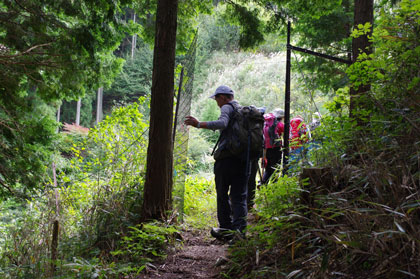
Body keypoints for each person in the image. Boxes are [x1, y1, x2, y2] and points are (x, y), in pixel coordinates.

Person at [184, 85, 248, 241]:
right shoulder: (242, 110)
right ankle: (239, 233)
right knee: (239, 197)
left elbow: (222, 123)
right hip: (243, 159)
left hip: (227, 159)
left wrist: (199, 124)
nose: (217, 103)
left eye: (217, 99)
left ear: (224, 97)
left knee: (222, 194)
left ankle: (225, 229)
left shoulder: (227, 107)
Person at [261, 108, 284, 184]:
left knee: (268, 168)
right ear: (281, 117)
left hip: (267, 149)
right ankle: (275, 186)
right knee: (276, 168)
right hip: (276, 149)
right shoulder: (280, 125)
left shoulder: (266, 124)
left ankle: (263, 183)